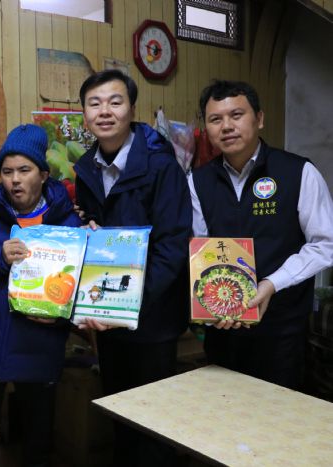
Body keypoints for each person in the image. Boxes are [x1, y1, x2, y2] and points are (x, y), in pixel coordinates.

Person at [73, 70, 192, 467]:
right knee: (119, 411)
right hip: (109, 316)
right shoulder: (86, 168)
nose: (104, 111)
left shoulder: (161, 166)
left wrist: (129, 304)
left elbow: (173, 247)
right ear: (85, 114)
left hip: (153, 316)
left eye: (115, 101)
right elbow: (95, 234)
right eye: (94, 103)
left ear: (132, 108)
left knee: (153, 422)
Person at [190, 80, 333, 389]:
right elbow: (200, 247)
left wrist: (271, 284)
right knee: (221, 408)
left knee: (278, 411)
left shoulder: (298, 172)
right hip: (223, 328)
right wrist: (208, 304)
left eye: (236, 115)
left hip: (281, 330)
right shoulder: (197, 181)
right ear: (207, 128)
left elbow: (325, 244)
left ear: (259, 119)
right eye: (215, 119)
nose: (227, 126)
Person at [0, 124, 82, 467]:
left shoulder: (67, 222)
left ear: (43, 174)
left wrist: (63, 317)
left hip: (40, 344)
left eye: (24, 170)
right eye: (7, 171)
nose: (14, 180)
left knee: (38, 439)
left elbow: (81, 286)